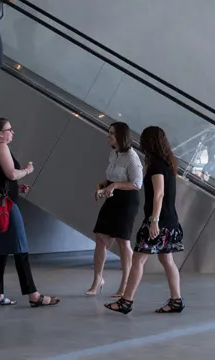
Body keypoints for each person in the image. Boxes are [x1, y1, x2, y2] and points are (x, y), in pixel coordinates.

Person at [0, 117, 59, 308]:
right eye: (9, 129)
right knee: (20, 249)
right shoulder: (1, 147)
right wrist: (27, 170)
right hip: (7, 206)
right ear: (0, 133)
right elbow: (12, 174)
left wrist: (15, 187)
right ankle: (34, 295)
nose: (12, 132)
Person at [105, 126, 184, 315]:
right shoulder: (168, 163)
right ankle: (176, 300)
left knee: (138, 259)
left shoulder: (157, 165)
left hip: (159, 221)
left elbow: (159, 194)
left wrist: (154, 221)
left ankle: (126, 300)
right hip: (170, 220)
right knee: (167, 260)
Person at [87, 122, 143, 298]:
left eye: (112, 133)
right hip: (112, 198)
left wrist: (116, 184)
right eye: (109, 132)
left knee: (122, 241)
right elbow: (112, 175)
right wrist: (104, 182)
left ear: (121, 136)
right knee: (101, 237)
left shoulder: (132, 158)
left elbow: (136, 184)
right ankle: (97, 279)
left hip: (127, 201)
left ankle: (125, 283)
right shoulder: (114, 154)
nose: (109, 136)